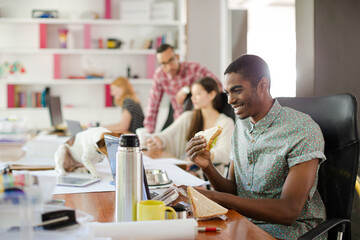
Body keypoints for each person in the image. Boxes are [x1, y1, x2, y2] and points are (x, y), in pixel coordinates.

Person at [185, 55, 327, 239]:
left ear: (263, 85)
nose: (229, 100)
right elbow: (234, 191)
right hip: (244, 223)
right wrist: (208, 167)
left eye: (236, 90)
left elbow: (288, 211)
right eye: (228, 93)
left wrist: (213, 197)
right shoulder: (241, 127)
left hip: (291, 232)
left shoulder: (302, 129)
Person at [146, 77, 234, 175]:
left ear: (212, 95)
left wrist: (207, 156)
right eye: (192, 95)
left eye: (198, 94)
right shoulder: (188, 117)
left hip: (209, 176)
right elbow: (166, 135)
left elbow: (225, 154)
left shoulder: (226, 122)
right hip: (187, 170)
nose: (193, 98)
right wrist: (157, 140)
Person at [144, 43, 221, 133]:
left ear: (177, 57)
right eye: (163, 64)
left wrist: (188, 89)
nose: (168, 67)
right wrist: (148, 134)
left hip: (200, 121)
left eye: (171, 60)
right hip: (179, 122)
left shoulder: (194, 68)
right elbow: (153, 105)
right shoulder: (159, 75)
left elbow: (217, 85)